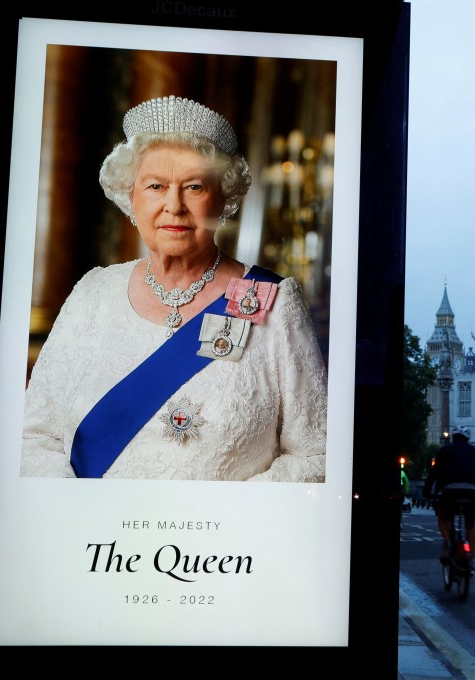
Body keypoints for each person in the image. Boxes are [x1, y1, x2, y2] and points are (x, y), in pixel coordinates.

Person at [20, 95, 327, 482]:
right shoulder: (91, 294)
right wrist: (81, 518)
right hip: (99, 542)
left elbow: (316, 455)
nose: (174, 205)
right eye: (155, 186)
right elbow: (34, 436)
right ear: (131, 197)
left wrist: (222, 521)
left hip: (220, 542)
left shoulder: (274, 302)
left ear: (223, 199)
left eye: (194, 187)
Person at [425, 426, 475, 569]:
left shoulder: (445, 450)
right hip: (471, 491)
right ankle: (470, 560)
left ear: (453, 438)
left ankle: (447, 541)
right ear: (467, 439)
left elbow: (434, 473)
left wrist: (428, 492)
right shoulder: (474, 451)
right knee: (470, 525)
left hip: (450, 490)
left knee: (443, 516)